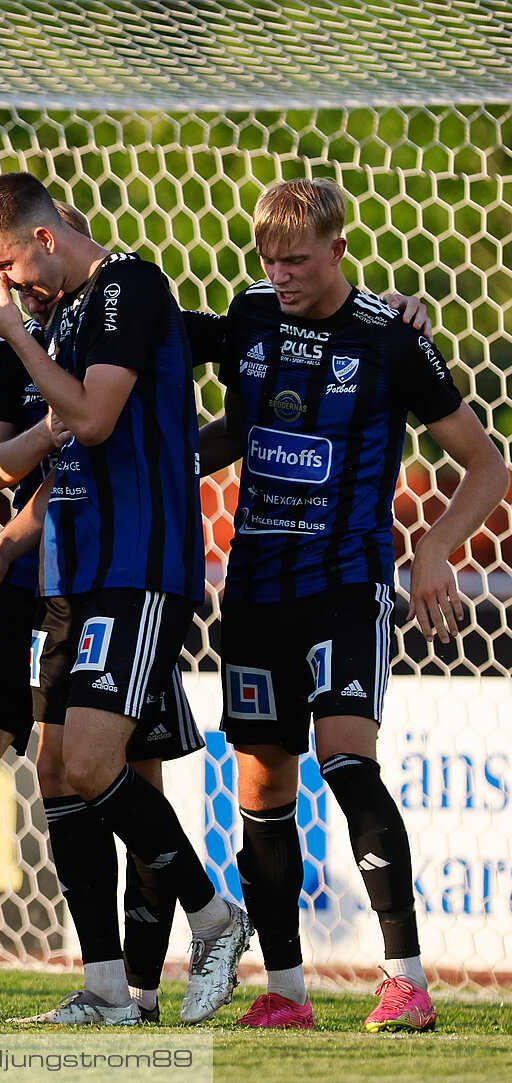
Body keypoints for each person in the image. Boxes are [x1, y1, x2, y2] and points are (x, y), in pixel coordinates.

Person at [198, 178, 507, 1032]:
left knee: (346, 762)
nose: (281, 274)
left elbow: (487, 465)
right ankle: (287, 993)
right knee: (261, 789)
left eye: (297, 258)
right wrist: (160, 466)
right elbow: (236, 431)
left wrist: (434, 546)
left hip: (346, 583)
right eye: (268, 258)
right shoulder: (250, 315)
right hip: (255, 584)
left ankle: (405, 981)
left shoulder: (391, 338)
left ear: (338, 248)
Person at [0, 171, 247, 1026]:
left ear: (44, 238)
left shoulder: (128, 284)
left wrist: (15, 333)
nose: (3, 289)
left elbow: (91, 420)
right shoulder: (61, 315)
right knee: (55, 771)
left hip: (135, 565)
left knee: (91, 762)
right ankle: (106, 986)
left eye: (7, 266)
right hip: (67, 572)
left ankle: (216, 918)